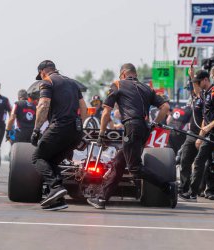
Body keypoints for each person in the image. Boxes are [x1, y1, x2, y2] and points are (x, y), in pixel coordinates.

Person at [86, 63, 177, 210]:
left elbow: (106, 112)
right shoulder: (147, 88)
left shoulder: (118, 84)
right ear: (135, 74)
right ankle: (102, 198)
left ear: (122, 74)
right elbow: (165, 107)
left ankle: (167, 187)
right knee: (119, 163)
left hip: (131, 128)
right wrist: (154, 123)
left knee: (134, 168)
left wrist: (102, 134)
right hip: (143, 128)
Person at [31, 60, 88, 211]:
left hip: (59, 127)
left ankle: (56, 187)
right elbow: (84, 108)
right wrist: (79, 128)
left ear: (43, 72)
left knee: (37, 158)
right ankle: (59, 200)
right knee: (52, 162)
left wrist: (36, 130)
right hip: (75, 131)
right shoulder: (73, 83)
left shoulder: (47, 82)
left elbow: (43, 105)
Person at [179, 69, 214, 201]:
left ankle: (193, 193)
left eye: (198, 81)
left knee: (203, 162)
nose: (197, 84)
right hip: (208, 134)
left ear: (205, 80)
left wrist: (208, 127)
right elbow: (205, 117)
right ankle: (196, 191)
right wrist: (201, 134)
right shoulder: (205, 94)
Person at [178, 79, 203, 195]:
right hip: (191, 133)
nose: (190, 91)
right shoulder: (193, 98)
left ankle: (196, 191)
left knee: (201, 164)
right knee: (184, 159)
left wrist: (200, 136)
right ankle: (184, 188)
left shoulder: (204, 97)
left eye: (191, 88)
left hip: (202, 135)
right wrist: (191, 75)